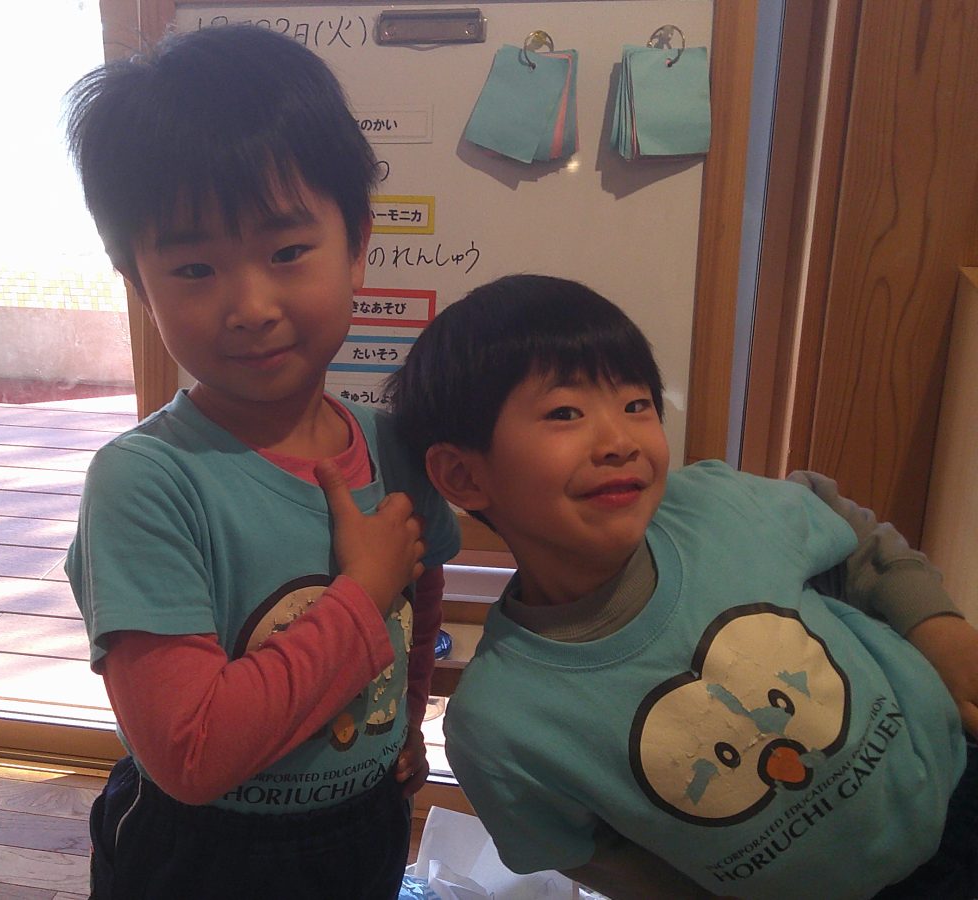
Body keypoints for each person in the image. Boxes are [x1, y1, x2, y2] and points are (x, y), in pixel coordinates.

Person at [387, 274, 978, 900]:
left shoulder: (715, 508)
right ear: (463, 475)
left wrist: (939, 630)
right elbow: (595, 855)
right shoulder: (501, 723)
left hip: (959, 777)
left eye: (637, 404)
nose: (620, 441)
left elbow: (853, 537)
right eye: (565, 412)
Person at [62, 24, 460, 899]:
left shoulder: (395, 446)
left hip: (362, 821)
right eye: (194, 268)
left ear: (356, 245)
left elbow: (421, 585)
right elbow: (191, 756)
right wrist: (360, 593)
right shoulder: (145, 483)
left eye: (286, 252)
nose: (249, 305)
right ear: (138, 283)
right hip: (202, 852)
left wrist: (406, 721)